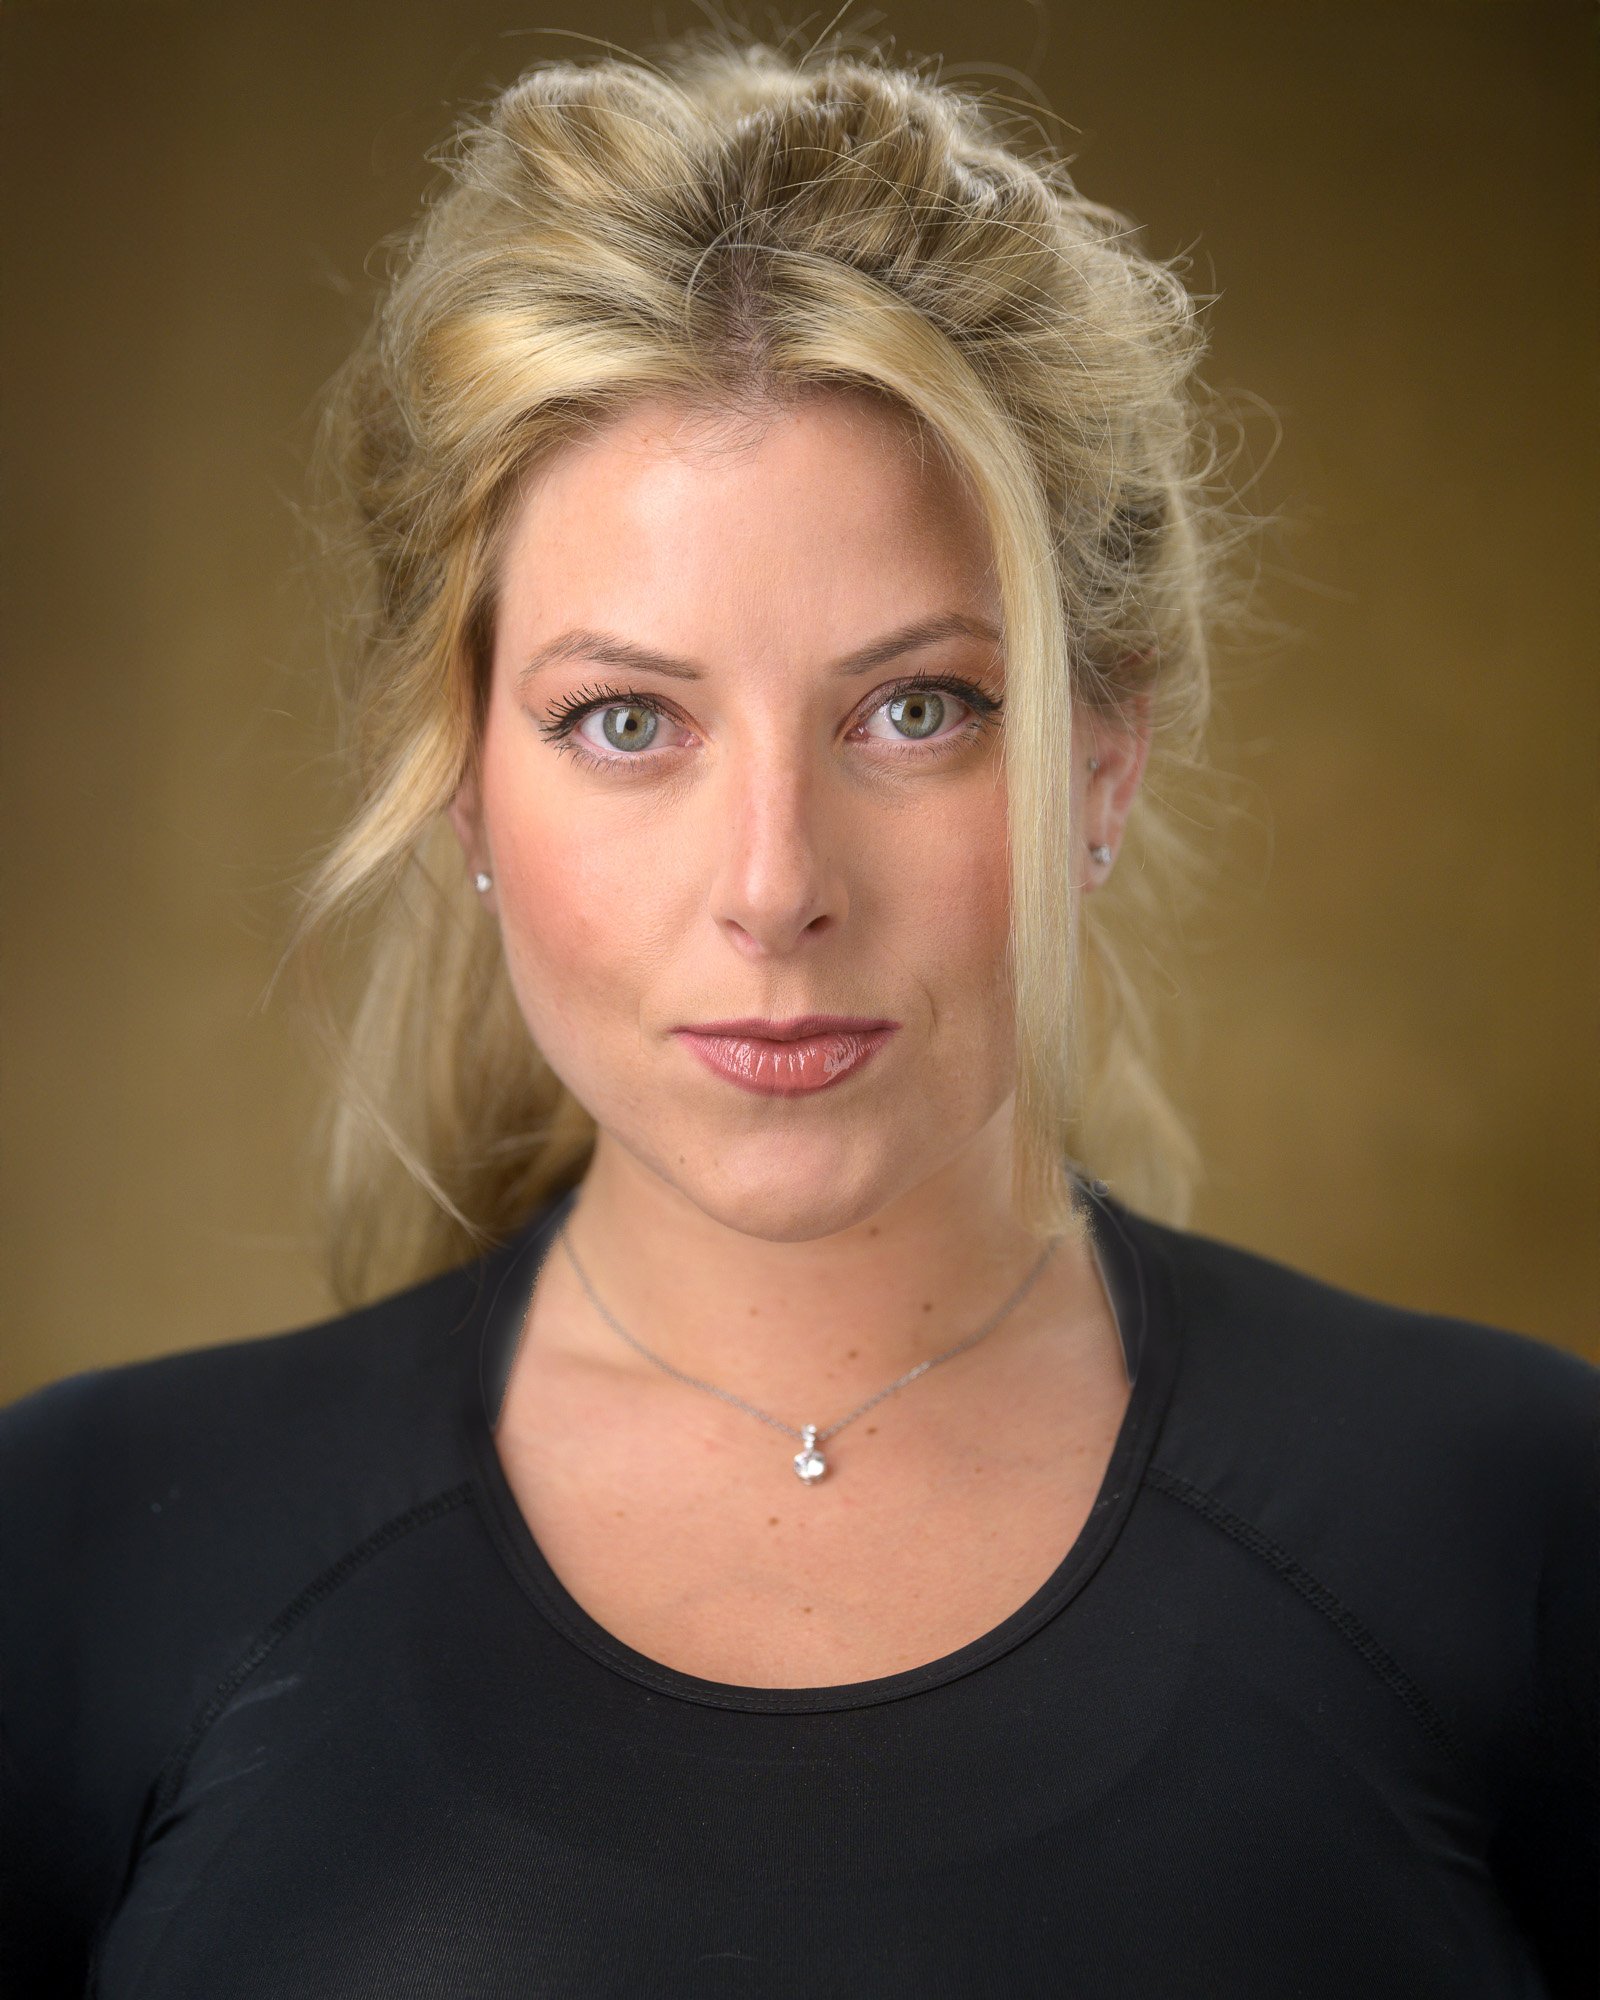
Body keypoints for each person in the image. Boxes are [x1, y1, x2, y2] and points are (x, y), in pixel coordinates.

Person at [2, 29, 1594, 2000]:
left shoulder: (1515, 1522)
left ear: (1101, 759)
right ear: (462, 778)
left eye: (913, 709)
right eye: (625, 721)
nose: (774, 884)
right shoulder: (76, 1556)